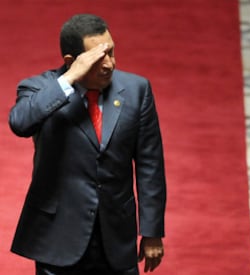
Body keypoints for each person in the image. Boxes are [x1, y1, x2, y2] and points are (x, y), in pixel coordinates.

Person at [8, 14, 167, 275]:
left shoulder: (137, 90)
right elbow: (20, 123)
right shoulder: (40, 88)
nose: (109, 64)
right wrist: (68, 81)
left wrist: (151, 231)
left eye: (111, 52)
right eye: (97, 57)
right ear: (72, 61)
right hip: (58, 236)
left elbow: (150, 165)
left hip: (116, 236)